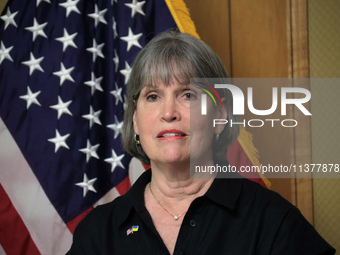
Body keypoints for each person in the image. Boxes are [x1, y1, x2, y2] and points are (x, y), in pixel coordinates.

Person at [67, 31, 335, 255]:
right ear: (135, 120)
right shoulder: (97, 233)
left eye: (188, 94)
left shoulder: (273, 221)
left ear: (220, 116)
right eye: (153, 96)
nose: (168, 112)